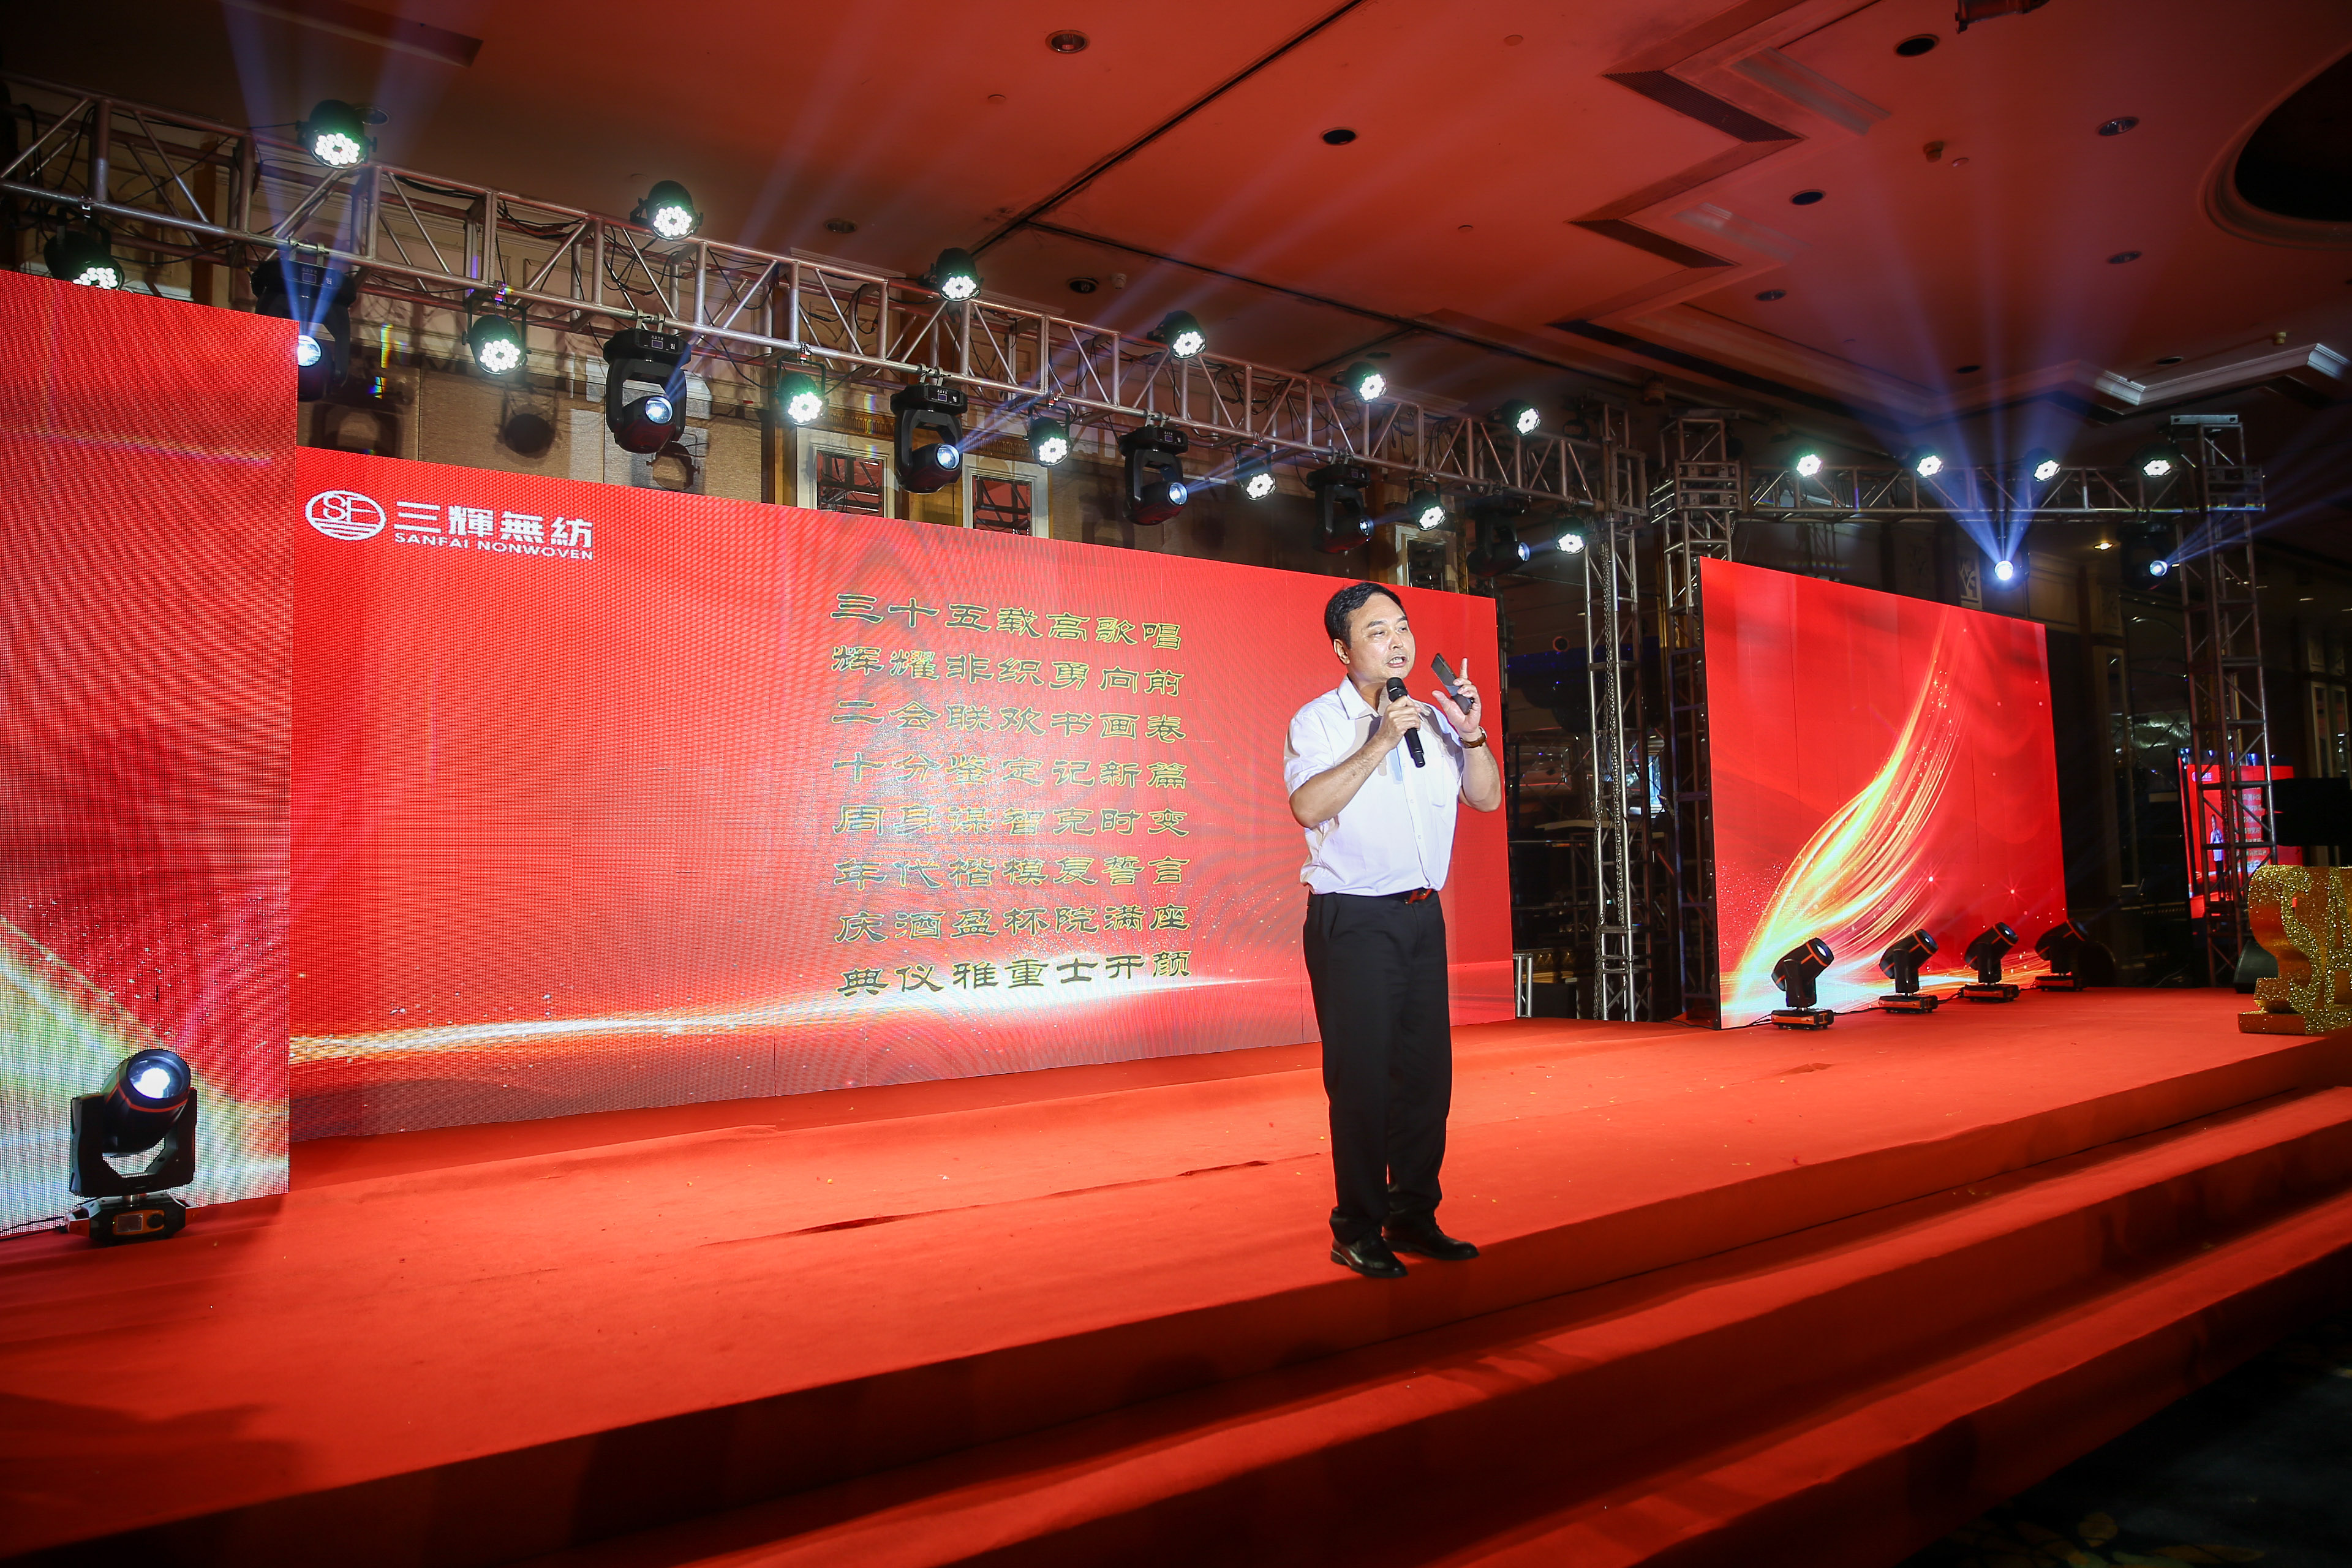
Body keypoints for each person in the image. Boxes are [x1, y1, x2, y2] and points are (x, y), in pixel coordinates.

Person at [1283, 582, 1502, 1279]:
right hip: (1354, 921)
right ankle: (1356, 1227)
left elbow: (1486, 797)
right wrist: (1380, 739)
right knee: (1364, 1084)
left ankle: (1413, 1214)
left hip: (1420, 916)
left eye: (1402, 627)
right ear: (1343, 649)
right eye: (1377, 632)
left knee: (1425, 1080)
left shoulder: (1433, 719)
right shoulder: (1320, 721)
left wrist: (1471, 732)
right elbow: (1307, 806)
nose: (1397, 641)